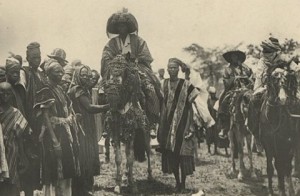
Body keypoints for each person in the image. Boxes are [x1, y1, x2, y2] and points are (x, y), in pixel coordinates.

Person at [101, 8, 162, 126]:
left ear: (128, 27)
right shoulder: (111, 43)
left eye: (123, 26)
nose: (121, 28)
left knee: (151, 88)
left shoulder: (138, 41)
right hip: (116, 72)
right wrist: (115, 63)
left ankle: (153, 122)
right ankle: (106, 125)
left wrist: (134, 60)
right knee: (102, 91)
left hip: (136, 69)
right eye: (119, 26)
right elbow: (105, 58)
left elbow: (146, 56)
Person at [157, 58, 207, 192]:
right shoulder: (163, 84)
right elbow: (161, 104)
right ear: (167, 70)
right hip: (167, 125)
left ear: (178, 70)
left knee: (183, 154)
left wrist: (190, 125)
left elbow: (191, 106)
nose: (172, 70)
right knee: (171, 154)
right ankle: (177, 182)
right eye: (170, 68)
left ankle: (183, 183)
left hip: (184, 122)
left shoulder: (186, 84)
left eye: (174, 68)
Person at [34, 60, 79, 196]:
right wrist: (55, 142)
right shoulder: (45, 90)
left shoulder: (59, 89)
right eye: (57, 71)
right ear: (48, 73)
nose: (60, 74)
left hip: (64, 134)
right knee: (55, 170)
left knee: (66, 169)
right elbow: (45, 116)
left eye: (61, 71)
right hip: (53, 135)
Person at [68, 65, 109, 196]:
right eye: (82, 75)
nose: (85, 77)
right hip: (81, 128)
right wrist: (108, 106)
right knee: (83, 156)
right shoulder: (78, 89)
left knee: (85, 155)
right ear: (77, 76)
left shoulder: (81, 89)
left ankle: (83, 188)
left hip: (85, 125)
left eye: (87, 75)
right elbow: (89, 108)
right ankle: (81, 190)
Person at [21, 42, 45, 196]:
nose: (37, 59)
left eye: (39, 56)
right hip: (29, 120)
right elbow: (22, 99)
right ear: (27, 58)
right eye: (34, 57)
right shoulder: (25, 73)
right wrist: (26, 123)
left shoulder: (41, 73)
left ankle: (36, 188)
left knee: (39, 156)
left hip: (41, 121)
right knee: (29, 156)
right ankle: (28, 190)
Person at [0, 82, 30, 196]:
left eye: (8, 93)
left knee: (11, 181)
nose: (5, 95)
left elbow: (20, 137)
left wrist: (23, 156)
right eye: (2, 92)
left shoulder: (15, 113)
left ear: (12, 94)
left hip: (11, 151)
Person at [218, 50, 253, 138]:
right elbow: (226, 83)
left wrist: (247, 79)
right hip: (233, 90)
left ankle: (257, 125)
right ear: (230, 58)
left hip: (246, 89)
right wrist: (234, 78)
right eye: (232, 57)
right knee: (223, 102)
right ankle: (224, 127)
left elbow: (252, 78)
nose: (234, 58)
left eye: (236, 56)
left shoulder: (246, 68)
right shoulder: (227, 69)